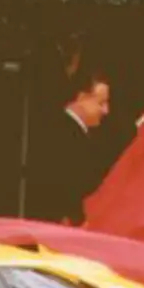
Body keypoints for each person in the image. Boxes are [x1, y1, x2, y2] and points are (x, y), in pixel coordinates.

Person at [29, 67, 112, 225]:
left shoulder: (70, 131)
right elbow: (62, 185)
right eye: (101, 103)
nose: (106, 110)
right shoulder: (62, 133)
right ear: (81, 97)